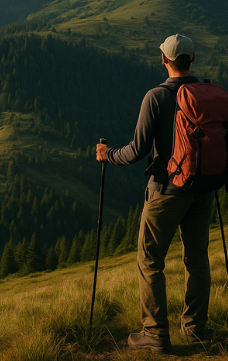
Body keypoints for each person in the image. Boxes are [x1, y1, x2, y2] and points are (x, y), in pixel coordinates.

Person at [95, 34, 214, 354]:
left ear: (164, 60)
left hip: (166, 191)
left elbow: (136, 151)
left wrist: (107, 155)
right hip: (203, 189)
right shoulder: (206, 94)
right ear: (193, 59)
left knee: (150, 260)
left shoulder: (156, 96)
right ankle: (196, 331)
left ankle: (155, 333)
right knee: (197, 259)